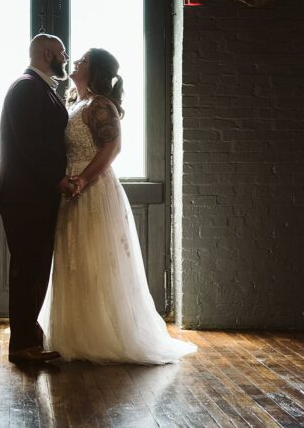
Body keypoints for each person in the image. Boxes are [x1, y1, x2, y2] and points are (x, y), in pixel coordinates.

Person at [40, 48, 197, 364]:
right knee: (74, 259)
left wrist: (83, 180)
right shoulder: (75, 102)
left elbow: (112, 146)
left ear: (94, 70)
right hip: (71, 189)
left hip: (93, 188)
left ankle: (102, 337)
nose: (76, 62)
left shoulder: (100, 105)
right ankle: (74, 335)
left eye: (83, 60)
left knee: (96, 259)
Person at [0, 34, 78, 364]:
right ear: (48, 53)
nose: (66, 58)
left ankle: (29, 338)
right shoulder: (27, 88)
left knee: (34, 267)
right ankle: (22, 346)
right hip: (24, 195)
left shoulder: (39, 87)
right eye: (62, 53)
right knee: (28, 269)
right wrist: (58, 180)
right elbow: (31, 146)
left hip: (32, 194)